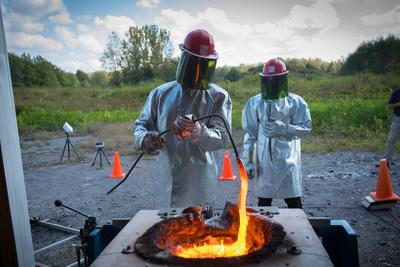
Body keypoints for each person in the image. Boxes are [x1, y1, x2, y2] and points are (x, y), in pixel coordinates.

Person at [133, 29, 232, 208]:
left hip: (200, 183)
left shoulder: (218, 96)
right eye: (193, 63)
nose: (197, 71)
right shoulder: (160, 93)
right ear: (183, 59)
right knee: (165, 231)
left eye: (203, 65)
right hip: (166, 180)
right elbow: (141, 125)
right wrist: (144, 138)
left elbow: (222, 138)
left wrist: (197, 130)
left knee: (199, 230)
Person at [241, 58, 312, 208]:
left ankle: (299, 230)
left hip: (288, 161)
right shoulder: (255, 103)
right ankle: (262, 232)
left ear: (283, 79)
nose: (272, 84)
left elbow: (305, 127)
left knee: (294, 203)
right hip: (264, 163)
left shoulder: (296, 102)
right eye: (268, 81)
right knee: (264, 204)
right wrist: (247, 162)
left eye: (275, 80)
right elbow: (250, 135)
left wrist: (285, 129)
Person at [382, 86, 400, 166]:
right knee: (391, 140)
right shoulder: (397, 92)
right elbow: (389, 106)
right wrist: (398, 104)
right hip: (397, 119)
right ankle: (385, 161)